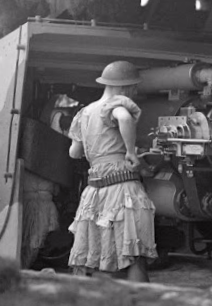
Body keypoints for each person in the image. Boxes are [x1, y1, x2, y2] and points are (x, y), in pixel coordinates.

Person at [67, 61, 158, 282]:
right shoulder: (116, 105)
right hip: (123, 189)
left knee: (101, 258)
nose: (135, 92)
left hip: (95, 192)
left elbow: (74, 153)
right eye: (134, 87)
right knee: (135, 256)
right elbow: (124, 118)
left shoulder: (85, 113)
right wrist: (130, 152)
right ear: (124, 87)